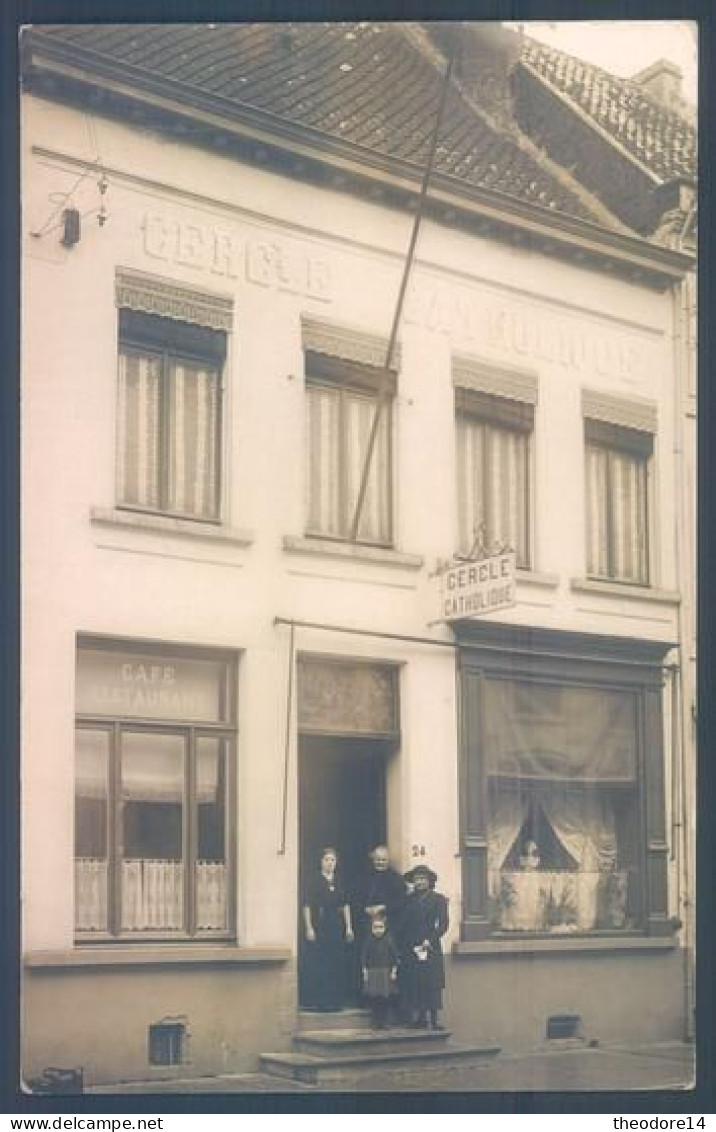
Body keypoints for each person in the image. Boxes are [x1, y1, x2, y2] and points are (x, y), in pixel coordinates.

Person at [302, 847, 354, 1011]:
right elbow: (307, 905)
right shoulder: (314, 880)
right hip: (320, 924)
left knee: (336, 962)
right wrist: (309, 927)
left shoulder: (339, 881)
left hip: (336, 926)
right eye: (326, 859)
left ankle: (336, 1001)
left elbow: (345, 904)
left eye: (332, 860)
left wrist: (349, 927)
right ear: (321, 861)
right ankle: (321, 1002)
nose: (330, 863)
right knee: (321, 963)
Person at [401, 863, 449, 1030]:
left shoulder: (438, 900)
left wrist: (430, 939)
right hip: (412, 945)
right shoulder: (408, 900)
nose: (420, 882)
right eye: (417, 879)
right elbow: (404, 923)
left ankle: (434, 1019)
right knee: (416, 981)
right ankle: (420, 1018)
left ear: (429, 881)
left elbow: (443, 924)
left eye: (423, 879)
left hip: (430, 946)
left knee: (432, 981)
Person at [361, 915, 399, 1030]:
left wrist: (393, 971)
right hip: (373, 972)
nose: (378, 930)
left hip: (385, 972)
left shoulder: (389, 940)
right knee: (374, 998)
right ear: (371, 928)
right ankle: (375, 1021)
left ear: (385, 928)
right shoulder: (369, 941)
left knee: (384, 998)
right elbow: (364, 957)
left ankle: (384, 1021)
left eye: (381, 927)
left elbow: (395, 957)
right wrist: (365, 971)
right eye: (375, 927)